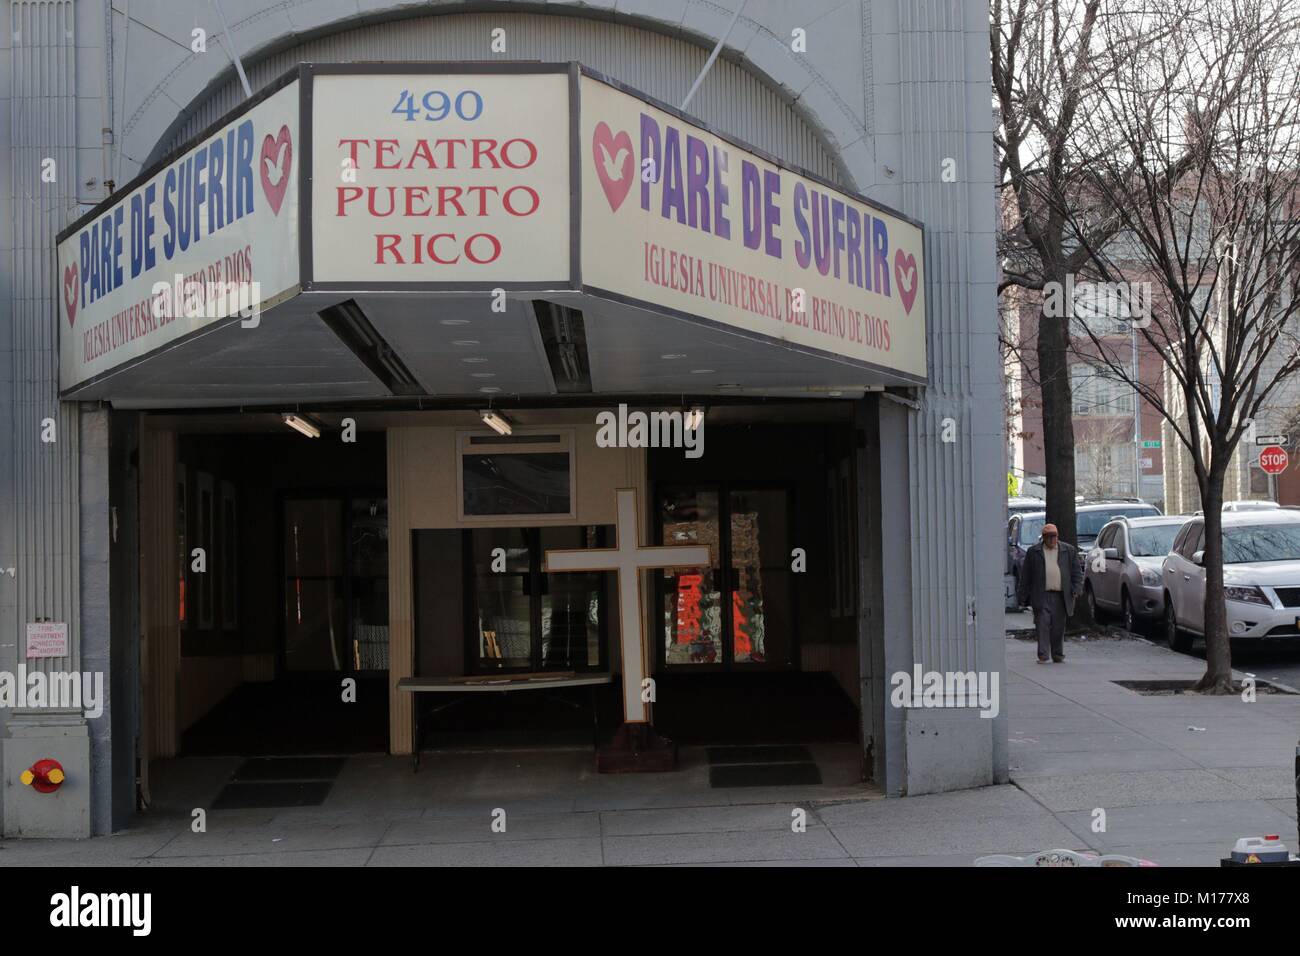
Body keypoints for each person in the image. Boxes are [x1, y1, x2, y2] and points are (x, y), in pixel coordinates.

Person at [1016, 522, 1083, 663]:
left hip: (1061, 595)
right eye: (1049, 537)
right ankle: (1043, 654)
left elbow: (1077, 572)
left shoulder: (1068, 551)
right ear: (1044, 538)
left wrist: (1076, 589)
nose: (1053, 539)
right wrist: (1022, 596)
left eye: (1055, 536)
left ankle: (1058, 654)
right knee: (1042, 625)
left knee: (1058, 627)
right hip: (1041, 594)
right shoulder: (1034, 552)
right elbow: (1026, 575)